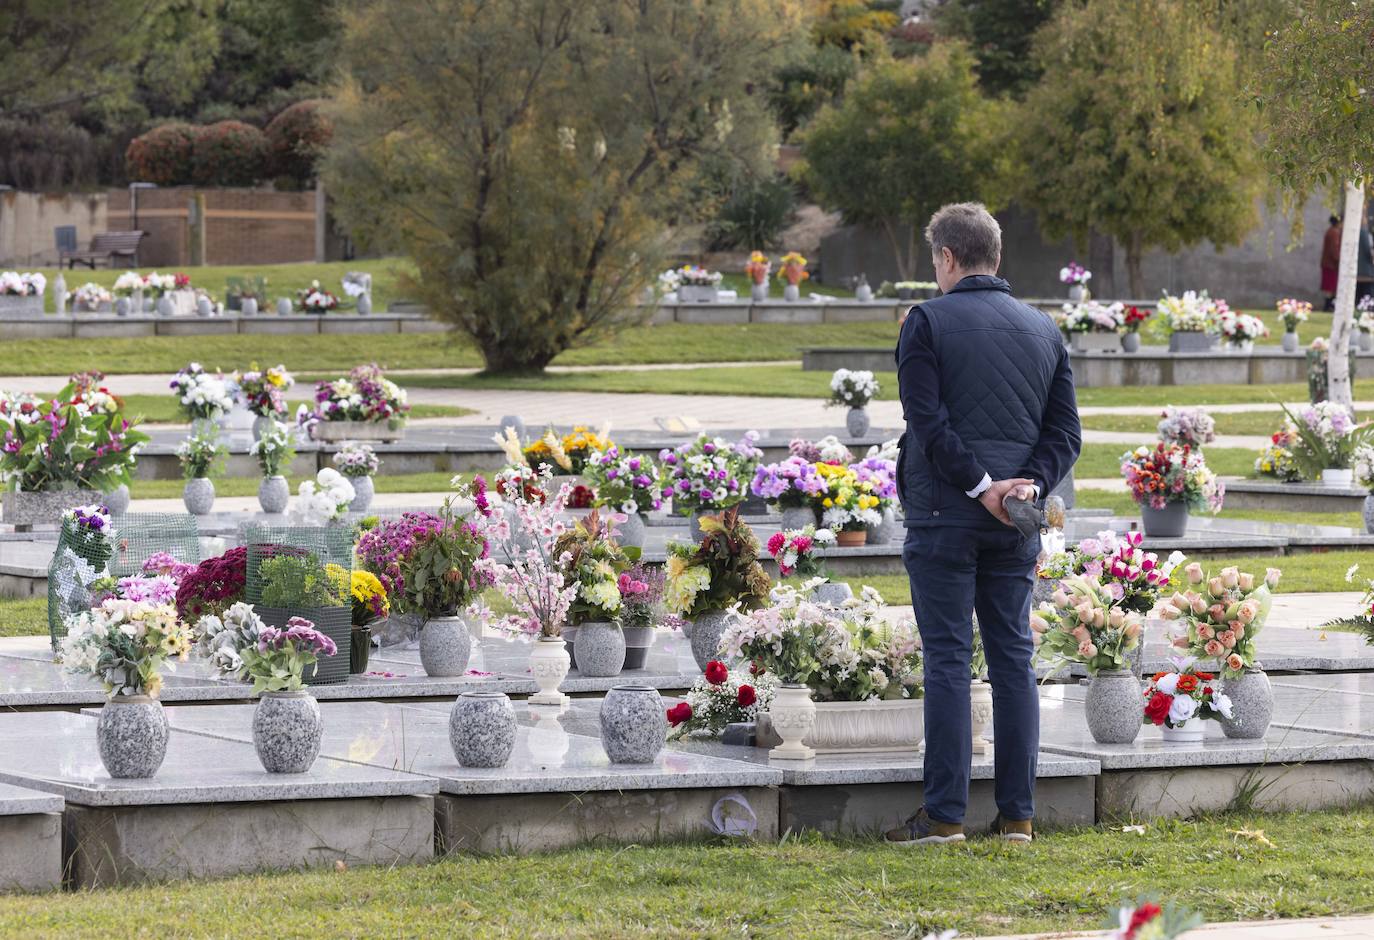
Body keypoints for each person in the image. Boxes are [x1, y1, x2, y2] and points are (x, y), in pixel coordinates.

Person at [884, 203, 1082, 847]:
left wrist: (980, 487)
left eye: (933, 260)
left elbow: (928, 423)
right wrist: (1027, 486)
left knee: (946, 661)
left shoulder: (927, 322)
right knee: (1013, 660)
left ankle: (944, 816)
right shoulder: (1044, 330)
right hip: (1015, 520)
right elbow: (1065, 434)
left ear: (946, 257)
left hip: (946, 514)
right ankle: (1018, 816)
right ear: (994, 256)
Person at [1322, 215, 1341, 312]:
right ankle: (1328, 306)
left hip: (1328, 263)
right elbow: (1334, 250)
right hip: (1331, 265)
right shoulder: (1334, 233)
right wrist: (1339, 259)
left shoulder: (1330, 231)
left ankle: (1329, 306)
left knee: (1330, 286)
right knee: (1330, 287)